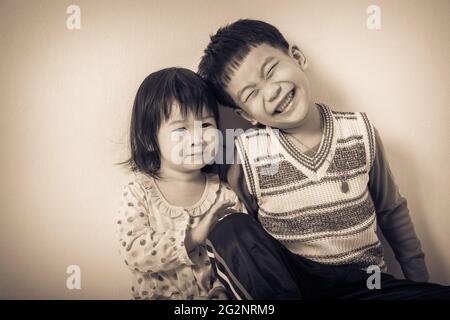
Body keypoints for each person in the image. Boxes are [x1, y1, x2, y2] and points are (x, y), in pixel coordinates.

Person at [198, 19, 450, 299]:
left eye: (270, 71)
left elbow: (391, 211)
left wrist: (418, 282)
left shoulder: (359, 131)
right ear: (247, 115)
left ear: (297, 57)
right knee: (230, 228)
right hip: (295, 287)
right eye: (252, 93)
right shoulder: (248, 155)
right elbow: (250, 247)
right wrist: (225, 285)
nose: (271, 91)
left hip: (366, 285)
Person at [116, 67, 243, 299]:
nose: (197, 139)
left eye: (205, 125)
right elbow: (134, 252)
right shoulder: (139, 193)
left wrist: (222, 289)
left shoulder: (225, 196)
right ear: (149, 139)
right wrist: (193, 237)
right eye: (181, 129)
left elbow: (238, 256)